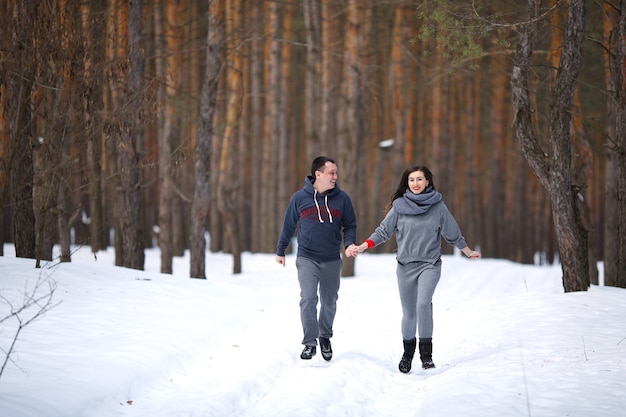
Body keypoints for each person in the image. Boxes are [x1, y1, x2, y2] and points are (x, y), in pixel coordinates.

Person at [350, 165, 480, 373]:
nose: (416, 183)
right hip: (405, 267)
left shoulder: (438, 206)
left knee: (422, 304)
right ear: (407, 183)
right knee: (409, 313)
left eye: (420, 179)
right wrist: (364, 245)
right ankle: (407, 353)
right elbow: (384, 231)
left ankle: (426, 356)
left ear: (427, 181)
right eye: (412, 180)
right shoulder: (399, 207)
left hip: (430, 264)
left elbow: (451, 231)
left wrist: (467, 250)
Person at [276, 156, 358, 361]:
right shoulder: (300, 198)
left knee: (329, 301)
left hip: (331, 258)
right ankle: (309, 342)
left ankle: (325, 337)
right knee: (309, 298)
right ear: (318, 174)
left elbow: (350, 225)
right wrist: (281, 250)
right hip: (307, 257)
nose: (335, 177)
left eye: (336, 173)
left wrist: (349, 244)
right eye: (331, 173)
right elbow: (288, 224)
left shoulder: (342, 199)